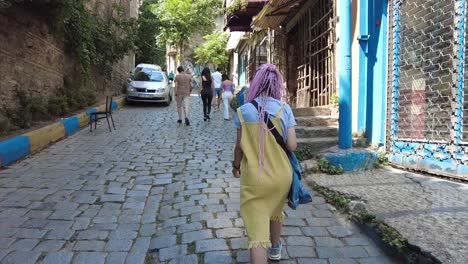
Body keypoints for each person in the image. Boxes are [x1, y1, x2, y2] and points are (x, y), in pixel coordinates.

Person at [232, 64, 297, 264]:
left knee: (257, 236)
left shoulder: (243, 112)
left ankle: (263, 249)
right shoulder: (284, 109)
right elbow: (292, 146)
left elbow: (239, 148)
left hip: (255, 179)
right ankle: (275, 249)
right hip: (282, 177)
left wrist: (236, 166)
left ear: (255, 84)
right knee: (276, 210)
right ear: (278, 86)